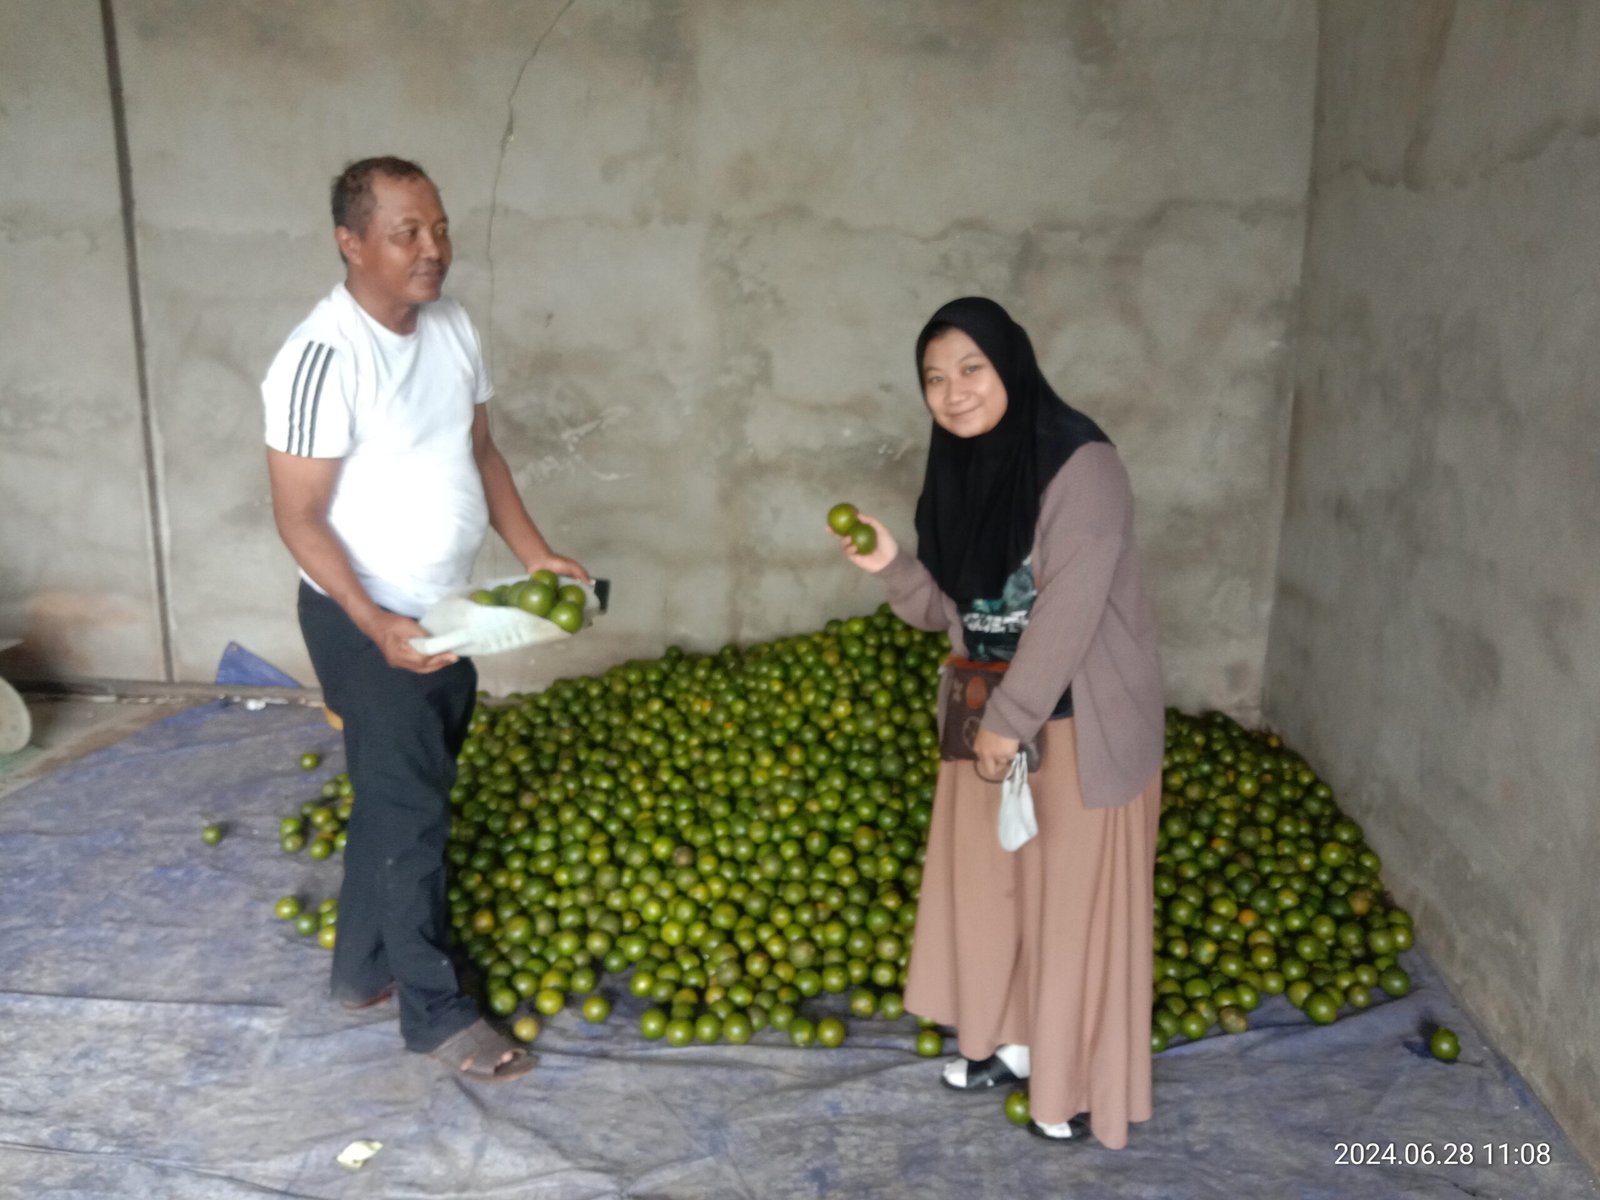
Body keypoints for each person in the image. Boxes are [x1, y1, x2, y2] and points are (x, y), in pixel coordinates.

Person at [261, 156, 588, 1081]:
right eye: (407, 232)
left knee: (400, 792)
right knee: (412, 813)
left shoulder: (451, 329)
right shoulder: (321, 358)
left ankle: (360, 969)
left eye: (438, 227)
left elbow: (481, 451)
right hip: (361, 618)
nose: (432, 249)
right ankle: (436, 1018)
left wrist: (534, 555)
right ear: (351, 242)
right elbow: (297, 517)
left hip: (444, 612)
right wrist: (373, 625)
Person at [838, 296, 1164, 1147]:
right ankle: (1009, 1043)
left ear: (1010, 363)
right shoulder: (958, 470)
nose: (953, 393)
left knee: (1071, 905)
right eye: (934, 378)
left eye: (971, 369)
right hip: (988, 712)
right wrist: (892, 565)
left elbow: (1070, 612)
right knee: (996, 891)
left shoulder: (1080, 464)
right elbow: (953, 613)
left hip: (1077, 724)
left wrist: (1009, 721)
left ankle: (1077, 1081)